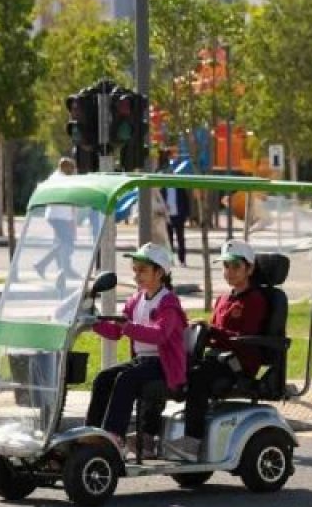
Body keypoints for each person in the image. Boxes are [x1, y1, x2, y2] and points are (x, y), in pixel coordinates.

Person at [167, 239, 268, 459]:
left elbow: (243, 339)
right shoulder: (223, 299)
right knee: (174, 368)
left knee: (198, 377)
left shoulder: (255, 300)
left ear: (249, 269)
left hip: (237, 364)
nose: (229, 272)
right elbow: (214, 336)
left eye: (235, 266)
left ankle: (192, 442)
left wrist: (212, 331)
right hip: (217, 359)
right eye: (225, 266)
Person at [85, 243, 189, 459]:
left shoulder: (168, 302)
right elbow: (116, 332)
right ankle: (91, 434)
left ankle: (115, 436)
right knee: (104, 378)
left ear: (159, 272)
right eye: (135, 269)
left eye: (142, 270)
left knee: (125, 379)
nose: (137, 275)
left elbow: (160, 334)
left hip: (164, 366)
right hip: (143, 362)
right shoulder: (136, 299)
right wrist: (92, 321)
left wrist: (128, 327)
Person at [34, 157, 78, 284]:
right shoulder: (61, 179)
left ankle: (63, 270)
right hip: (59, 216)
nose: (73, 171)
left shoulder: (56, 177)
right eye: (72, 168)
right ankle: (42, 264)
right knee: (67, 243)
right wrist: (71, 219)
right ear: (65, 168)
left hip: (57, 216)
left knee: (61, 243)